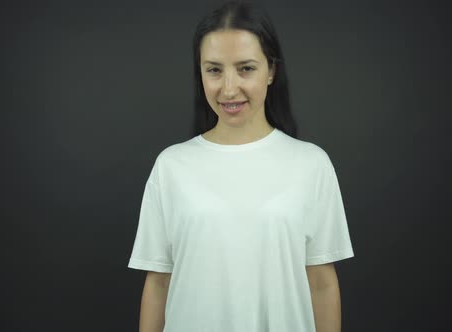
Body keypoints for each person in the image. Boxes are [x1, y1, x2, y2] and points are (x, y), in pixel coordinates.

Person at [128, 1, 354, 331]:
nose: (229, 88)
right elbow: (159, 282)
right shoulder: (171, 166)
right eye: (214, 69)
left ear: (271, 70)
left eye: (246, 68)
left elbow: (321, 282)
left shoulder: (311, 164)